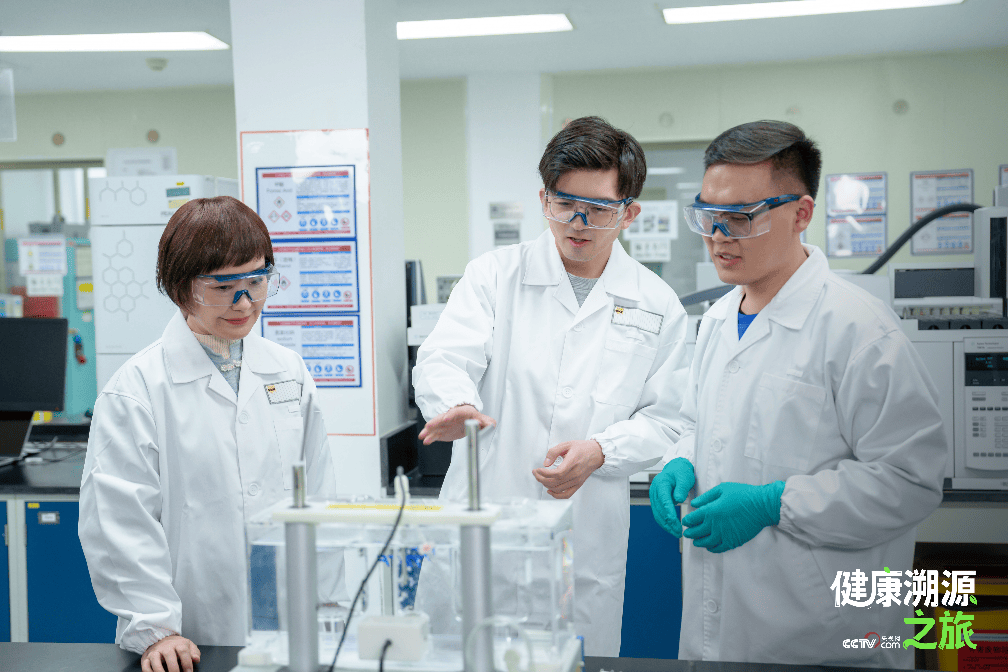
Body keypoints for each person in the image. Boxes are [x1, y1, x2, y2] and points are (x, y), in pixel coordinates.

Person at [649, 120, 946, 668]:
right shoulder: (717, 320)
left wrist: (773, 504)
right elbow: (699, 423)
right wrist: (680, 460)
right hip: (719, 630)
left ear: (801, 213)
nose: (718, 234)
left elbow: (911, 480)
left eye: (741, 216)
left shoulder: (858, 330)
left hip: (823, 638)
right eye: (708, 214)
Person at [413, 116, 690, 656]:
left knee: (574, 657)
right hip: (486, 530)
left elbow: (669, 417)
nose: (578, 223)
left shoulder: (656, 303)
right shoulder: (494, 276)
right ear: (544, 200)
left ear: (629, 212)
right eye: (565, 204)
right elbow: (445, 355)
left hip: (586, 539)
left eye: (599, 209)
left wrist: (602, 450)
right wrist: (457, 403)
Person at [79, 196, 339, 672]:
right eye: (223, 288)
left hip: (291, 629)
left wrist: (328, 607)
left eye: (257, 282)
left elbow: (318, 495)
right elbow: (120, 521)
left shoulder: (289, 372)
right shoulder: (138, 388)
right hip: (188, 640)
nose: (245, 303)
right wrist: (156, 628)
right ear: (181, 288)